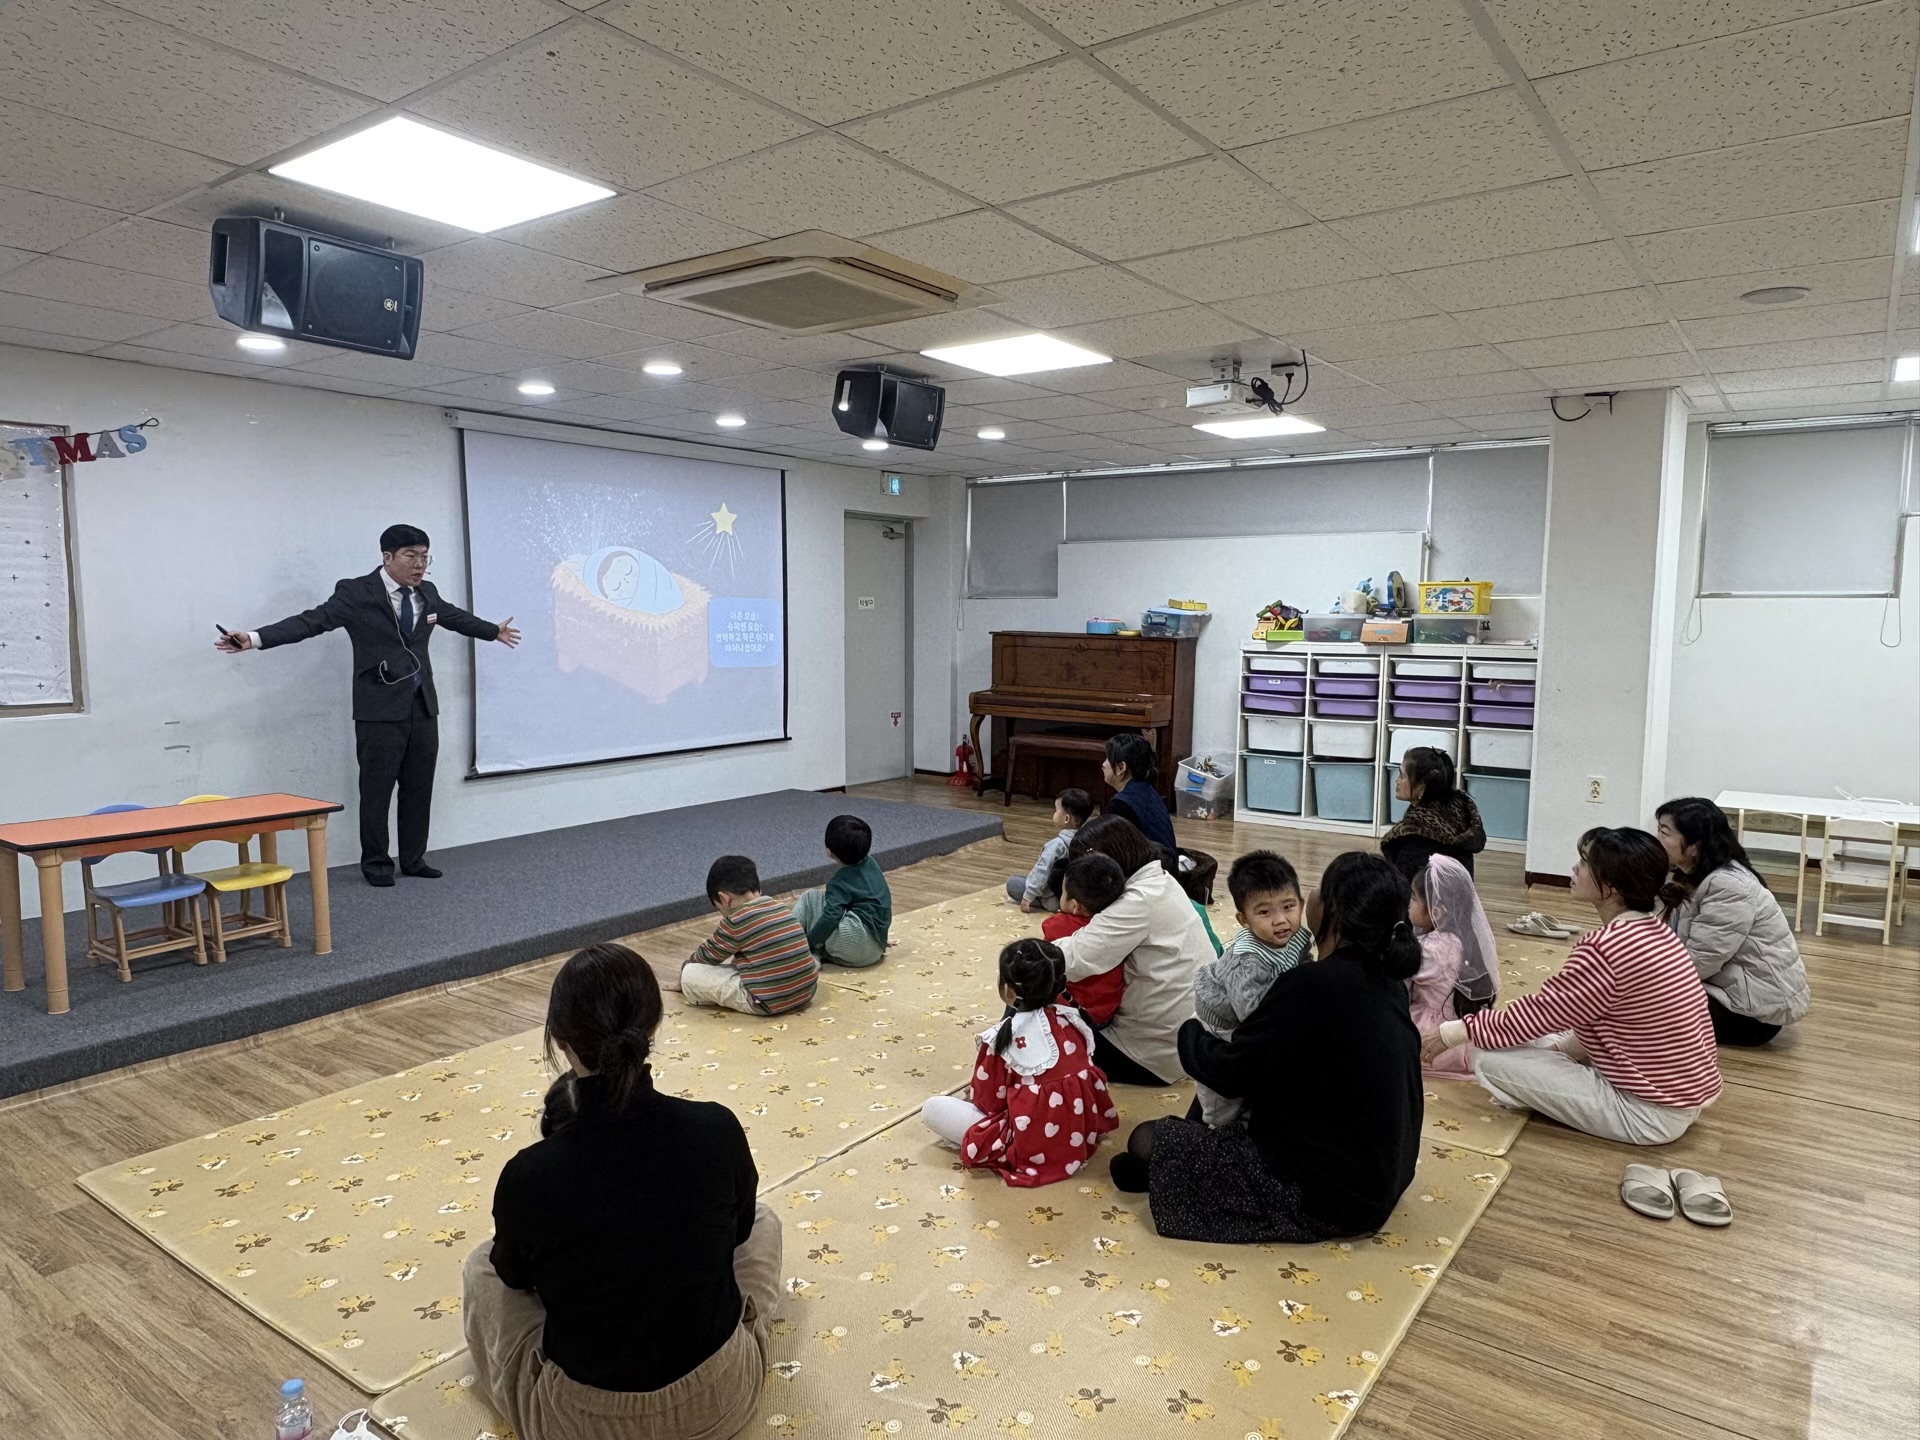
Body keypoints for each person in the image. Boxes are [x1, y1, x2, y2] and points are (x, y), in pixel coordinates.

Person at [464, 943, 781, 1440]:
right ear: (654, 1027)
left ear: (560, 1043)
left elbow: (515, 1277)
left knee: (480, 1266)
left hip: (585, 1425)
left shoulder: (529, 1175)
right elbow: (739, 1231)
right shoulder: (716, 1128)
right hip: (720, 1400)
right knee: (763, 1222)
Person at [1109, 852, 1422, 1244]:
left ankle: (1176, 1170)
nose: (1306, 898)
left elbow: (1231, 1072)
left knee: (1145, 1139)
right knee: (1209, 1109)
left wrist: (1189, 1031)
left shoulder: (1314, 984)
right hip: (1385, 1172)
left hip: (1331, 1198)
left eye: (1315, 890)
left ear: (1336, 912)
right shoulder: (1384, 975)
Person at [215, 524, 521, 886]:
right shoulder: (356, 593)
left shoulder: (428, 593)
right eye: (411, 556)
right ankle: (376, 863)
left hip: (423, 707)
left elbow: (454, 616)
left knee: (419, 788)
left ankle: (413, 859)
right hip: (378, 710)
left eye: (425, 557)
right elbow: (311, 621)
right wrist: (253, 638)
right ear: (387, 557)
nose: (419, 565)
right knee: (377, 791)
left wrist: (492, 631)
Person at [1422, 827, 1721, 1145]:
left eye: (1585, 862)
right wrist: (1558, 1051)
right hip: (1679, 1097)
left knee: (1488, 1055)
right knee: (1534, 1036)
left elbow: (1538, 1014)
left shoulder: (1608, 947)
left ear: (1612, 886)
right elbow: (1584, 1013)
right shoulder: (1654, 931)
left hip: (1646, 1112)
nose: (1575, 868)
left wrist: (1451, 1033)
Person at [919, 938, 1119, 1186]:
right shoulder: (1073, 1020)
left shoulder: (1002, 1037)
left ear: (1008, 991)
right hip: (1077, 1133)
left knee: (933, 1108)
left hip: (1028, 1142)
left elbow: (988, 1104)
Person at [1050, 815, 1208, 1086]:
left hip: (1149, 1055)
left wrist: (1029, 953)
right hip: (1189, 1040)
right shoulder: (1161, 880)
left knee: (1031, 982)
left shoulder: (1136, 901)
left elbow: (1071, 960)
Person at [1655, 797, 1810, 1046]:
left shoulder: (1727, 885)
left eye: (1665, 833)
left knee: (1633, 1002)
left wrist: (1646, 980)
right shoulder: (1689, 876)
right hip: (1728, 991)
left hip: (1749, 1015)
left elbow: (1702, 960)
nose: (1657, 840)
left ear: (1695, 846)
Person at [1191, 851, 1314, 1127]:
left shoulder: (1296, 935)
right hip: (1222, 1023)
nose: (1280, 920)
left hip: (1258, 1004)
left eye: (1288, 906)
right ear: (1243, 919)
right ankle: (1213, 1128)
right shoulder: (1248, 962)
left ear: (1301, 904)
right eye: (1264, 912)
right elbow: (1251, 1016)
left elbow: (1303, 964)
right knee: (1223, 1096)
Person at [680, 855, 819, 1016]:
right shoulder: (780, 907)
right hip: (807, 992)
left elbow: (706, 956)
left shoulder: (736, 921)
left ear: (724, 898)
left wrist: (684, 972)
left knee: (690, 973)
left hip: (766, 1002)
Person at [1407, 855, 1501, 1078]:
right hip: (1463, 1025)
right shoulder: (1466, 938)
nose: (1408, 904)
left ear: (1436, 911)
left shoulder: (1430, 950)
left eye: (1413, 898)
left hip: (1435, 1032)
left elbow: (1400, 970)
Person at [791, 815, 892, 968]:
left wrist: (808, 943)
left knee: (810, 898)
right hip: (875, 949)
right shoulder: (872, 864)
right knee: (835, 909)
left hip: (856, 942)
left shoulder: (839, 882)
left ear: (829, 852)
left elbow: (831, 917)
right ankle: (819, 953)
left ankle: (789, 945)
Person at [1045, 852, 1128, 1026]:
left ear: (1075, 906)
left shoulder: (1058, 924)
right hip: (1107, 1012)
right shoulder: (1119, 922)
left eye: (1063, 892)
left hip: (1072, 1013)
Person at [1380, 747, 1486, 880]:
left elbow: (1406, 884)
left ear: (1421, 787)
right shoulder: (1458, 811)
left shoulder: (1414, 837)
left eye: (1402, 776)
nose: (1397, 781)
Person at [1006, 787, 1092, 911]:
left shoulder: (1057, 845)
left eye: (1056, 810)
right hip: (1075, 898)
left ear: (1066, 818)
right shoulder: (1087, 840)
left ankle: (1041, 902)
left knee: (1013, 882)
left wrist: (1028, 896)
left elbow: (1042, 869)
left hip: (1053, 899)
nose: (1054, 813)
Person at [1101, 733, 1177, 854]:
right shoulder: (1149, 790)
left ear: (1121, 767)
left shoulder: (1121, 804)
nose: (1103, 765)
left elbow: (1116, 850)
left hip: (1151, 863)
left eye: (1107, 759)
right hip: (1167, 859)